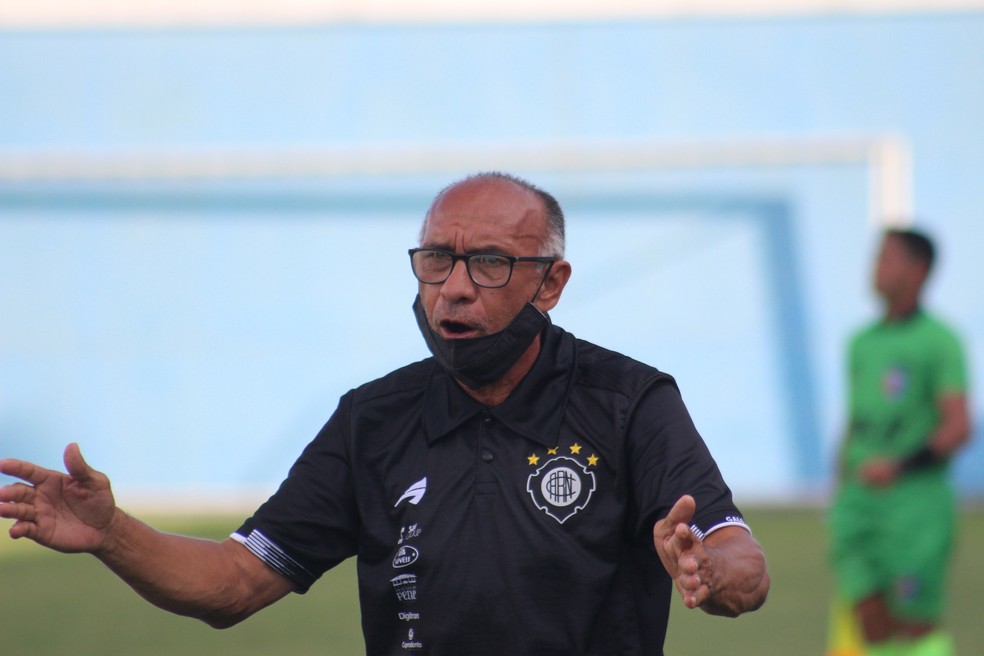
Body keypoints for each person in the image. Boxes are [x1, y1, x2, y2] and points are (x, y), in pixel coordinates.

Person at [1, 172, 769, 655]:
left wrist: (713, 571)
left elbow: (737, 555)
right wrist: (112, 534)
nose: (454, 288)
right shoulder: (373, 420)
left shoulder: (627, 400)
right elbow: (235, 583)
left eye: (490, 262)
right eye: (437, 259)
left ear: (551, 283)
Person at [829, 228, 972, 656]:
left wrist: (900, 466)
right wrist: (839, 492)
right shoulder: (861, 343)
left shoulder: (940, 342)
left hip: (913, 506)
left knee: (914, 625)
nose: (876, 268)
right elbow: (854, 422)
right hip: (858, 507)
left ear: (919, 270)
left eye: (887, 258)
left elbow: (959, 426)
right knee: (867, 616)